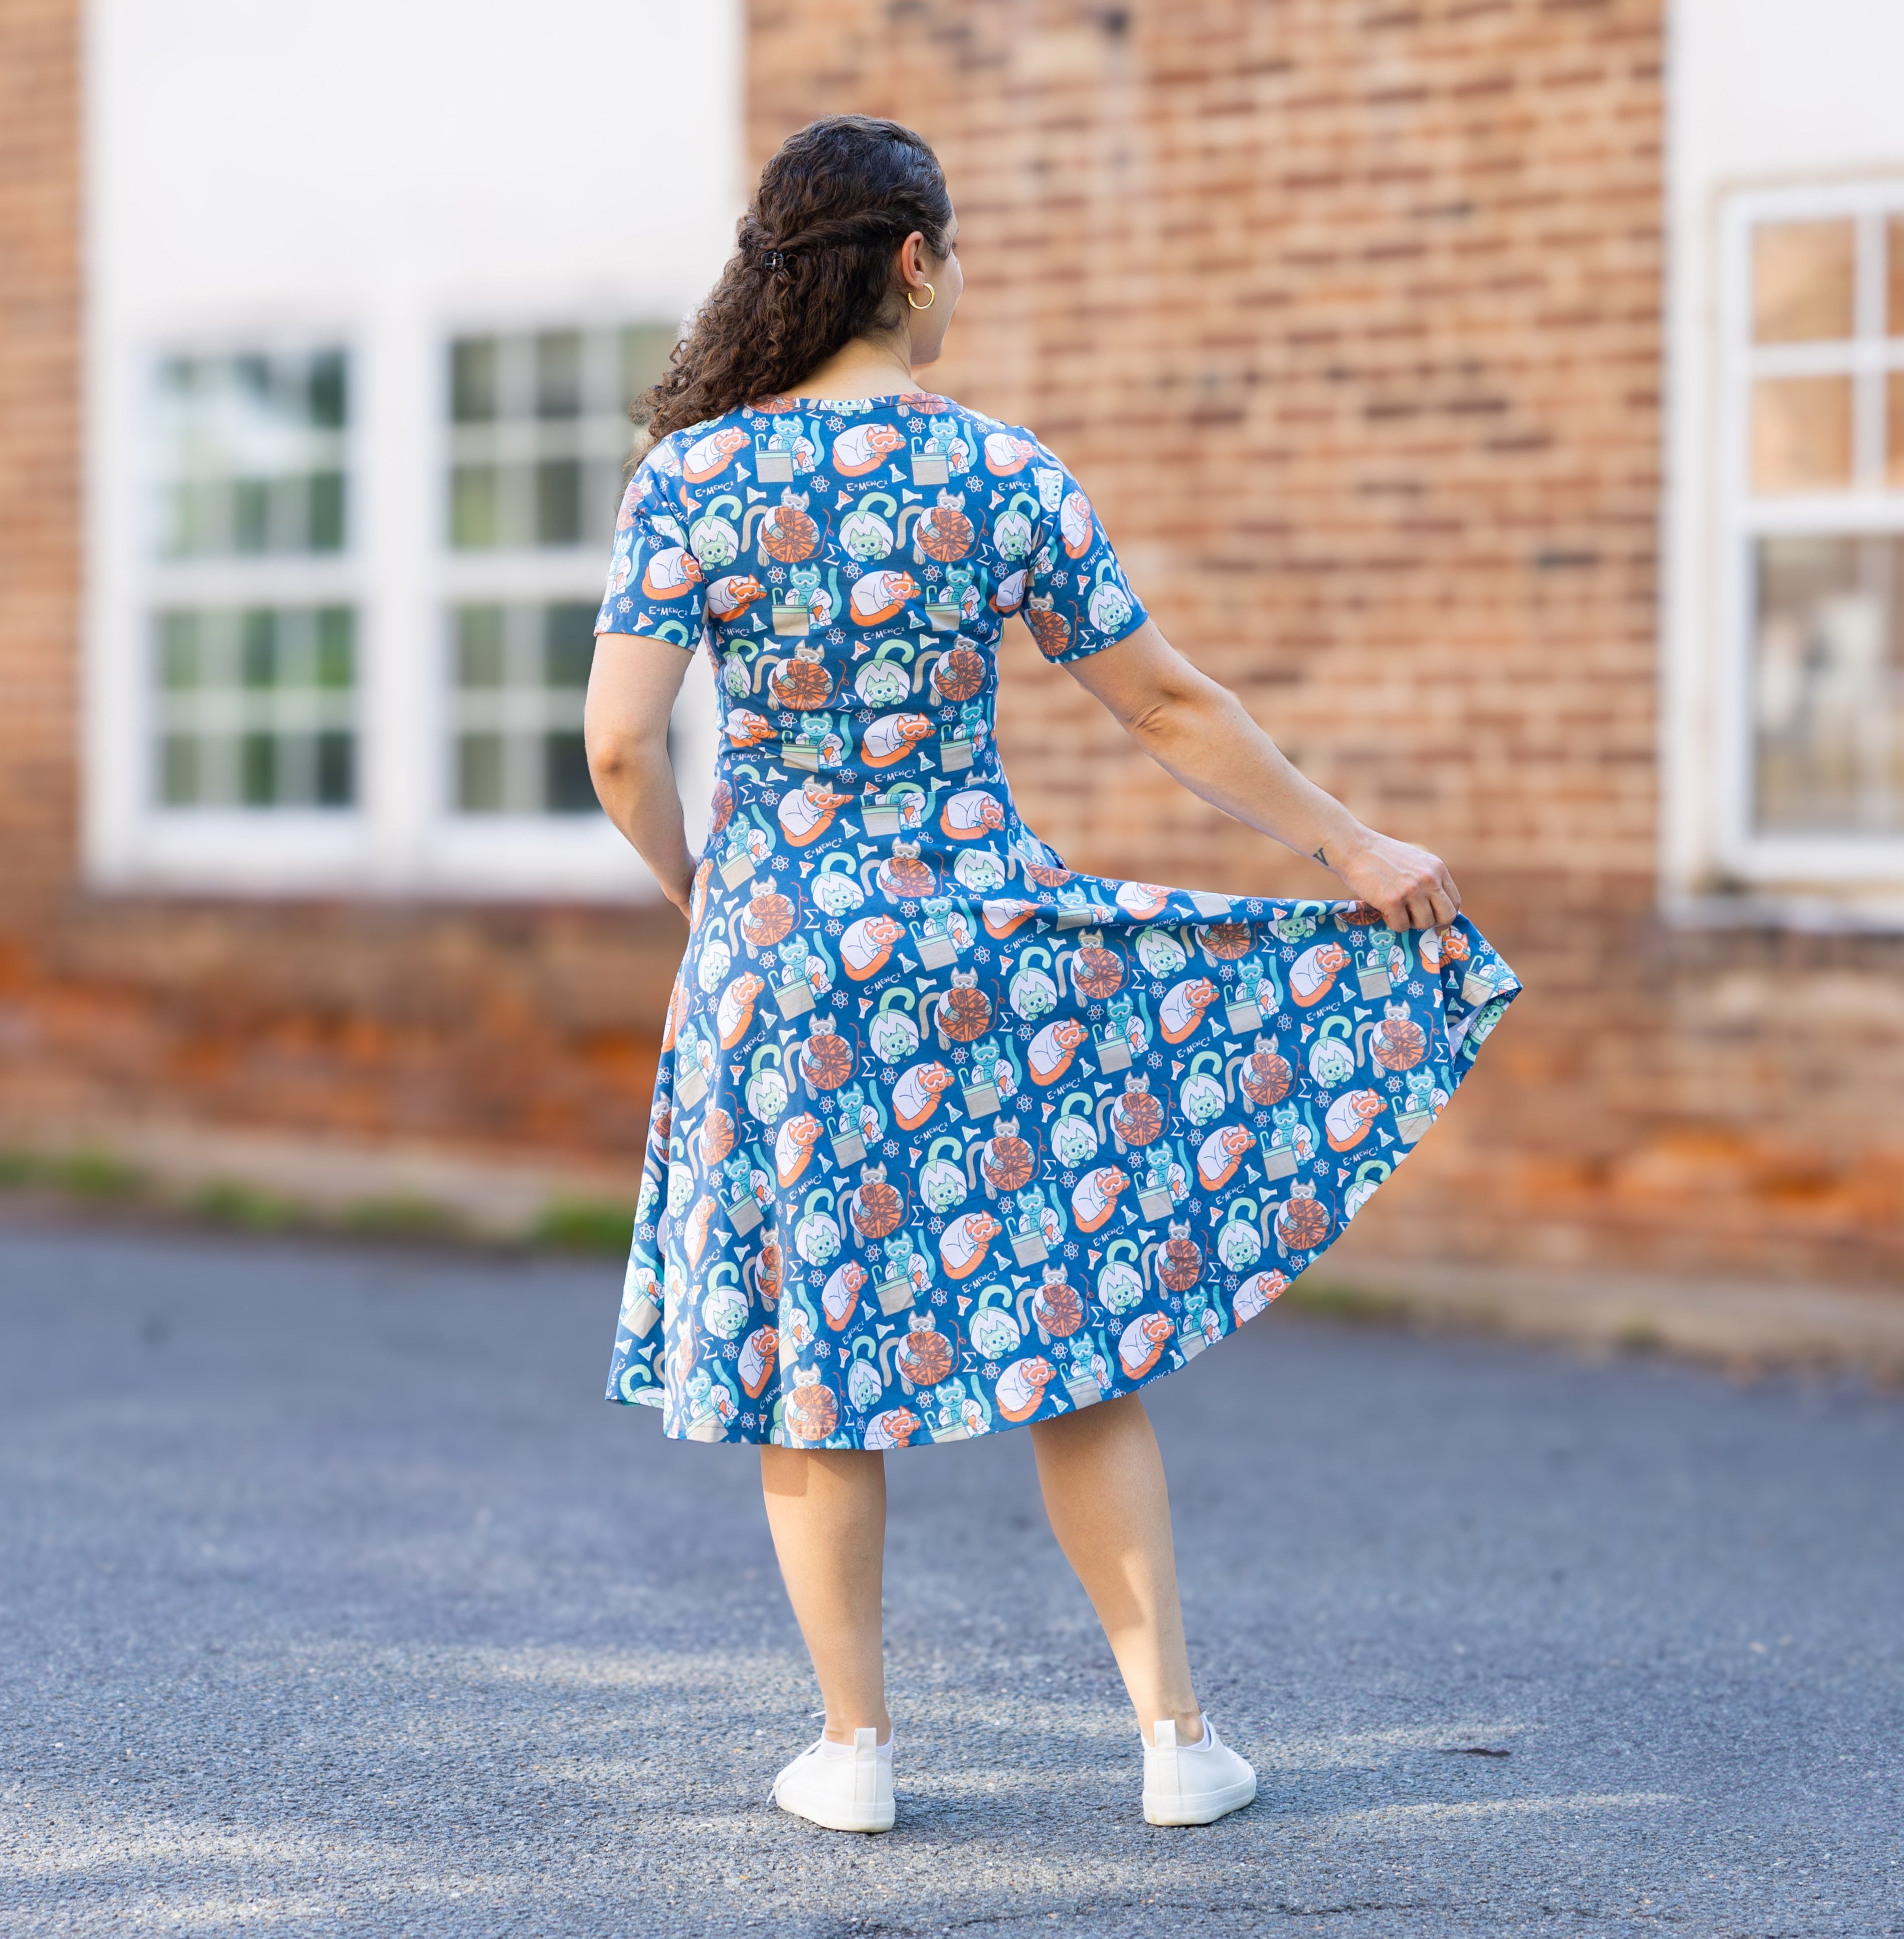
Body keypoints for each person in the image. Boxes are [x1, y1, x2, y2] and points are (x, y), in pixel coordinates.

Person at [584, 114, 1517, 1835]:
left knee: (817, 1356)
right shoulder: (998, 471)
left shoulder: (689, 481)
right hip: (980, 955)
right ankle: (1174, 1742)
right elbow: (1162, 703)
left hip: (782, 967)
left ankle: (854, 1753)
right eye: (957, 260)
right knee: (1071, 1334)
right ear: (913, 260)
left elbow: (621, 747)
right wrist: (1347, 846)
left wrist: (710, 900)